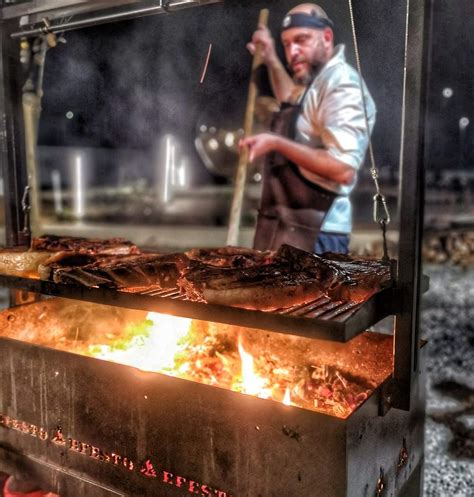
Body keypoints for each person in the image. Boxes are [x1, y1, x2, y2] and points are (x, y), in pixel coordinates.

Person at [241, 3, 376, 254]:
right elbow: (290, 99)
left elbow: (343, 168)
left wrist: (275, 142)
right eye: (286, 44)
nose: (292, 51)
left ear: (326, 38)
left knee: (313, 296)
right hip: (285, 228)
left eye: (301, 40)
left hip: (318, 234)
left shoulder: (341, 85)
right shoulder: (317, 84)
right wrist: (270, 57)